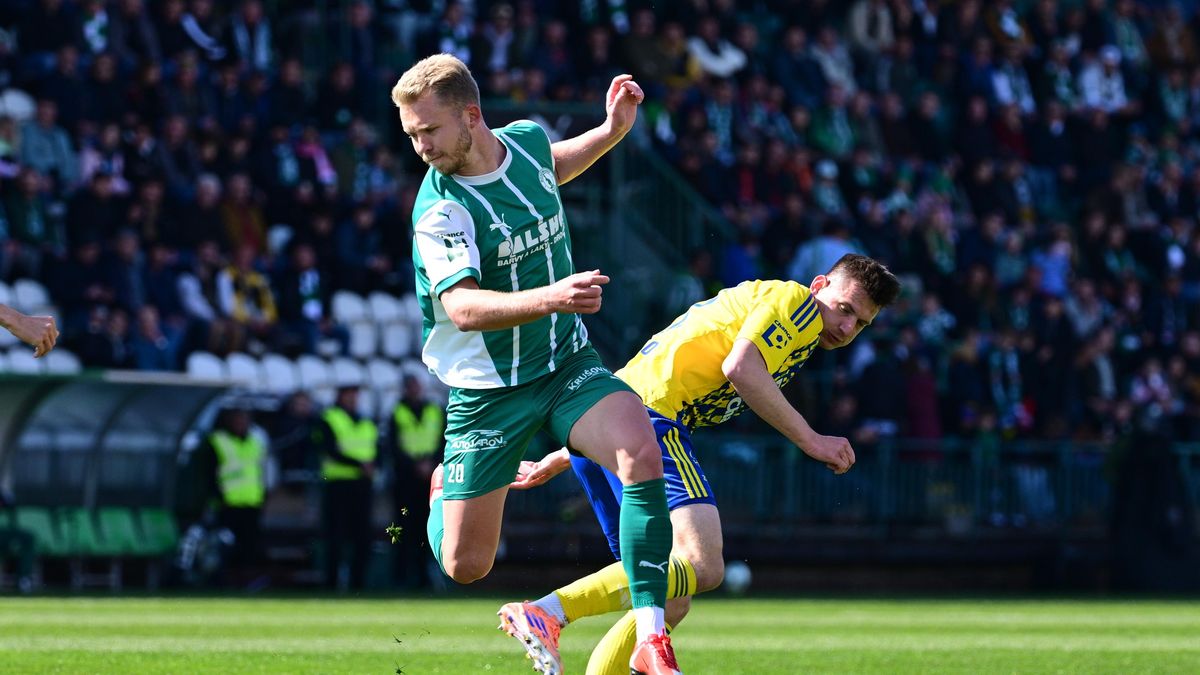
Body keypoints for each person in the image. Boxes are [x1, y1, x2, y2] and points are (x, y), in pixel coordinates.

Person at [392, 53, 681, 674]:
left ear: (472, 115)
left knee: (641, 450)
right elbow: (463, 308)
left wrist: (610, 132)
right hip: (490, 389)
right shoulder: (440, 210)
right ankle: (445, 490)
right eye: (412, 135)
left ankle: (654, 641)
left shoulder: (523, 139)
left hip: (564, 363)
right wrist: (553, 296)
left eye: (429, 130)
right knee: (468, 566)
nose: (420, 147)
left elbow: (549, 169)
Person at [510, 254, 900, 674]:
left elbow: (647, 370)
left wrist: (572, 450)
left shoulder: (781, 317)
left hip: (612, 417)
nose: (846, 328)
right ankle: (547, 612)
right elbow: (741, 368)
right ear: (819, 285)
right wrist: (812, 440)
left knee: (667, 597)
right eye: (844, 309)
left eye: (860, 324)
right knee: (704, 564)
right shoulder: (795, 303)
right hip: (650, 421)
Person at [313, 383, 378, 591]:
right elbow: (329, 450)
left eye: (355, 395)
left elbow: (376, 449)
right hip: (338, 484)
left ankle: (358, 583)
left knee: (362, 536)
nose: (352, 399)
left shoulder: (366, 421)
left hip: (362, 485)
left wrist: (373, 465)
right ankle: (331, 583)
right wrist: (360, 465)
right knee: (335, 536)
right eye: (348, 395)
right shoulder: (329, 418)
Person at [386, 375, 445, 589]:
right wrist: (416, 465)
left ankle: (423, 577)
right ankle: (401, 577)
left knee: (425, 527)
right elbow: (394, 446)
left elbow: (443, 440)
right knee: (402, 526)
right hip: (406, 479)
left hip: (429, 478)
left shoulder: (434, 411)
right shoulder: (397, 412)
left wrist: (431, 463)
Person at [197, 408, 267, 586]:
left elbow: (262, 472)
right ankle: (220, 580)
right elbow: (207, 474)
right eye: (237, 420)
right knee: (224, 545)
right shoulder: (217, 441)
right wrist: (215, 497)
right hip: (227, 503)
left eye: (244, 420)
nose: (241, 424)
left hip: (252, 501)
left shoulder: (256, 442)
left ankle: (246, 581)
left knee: (249, 546)